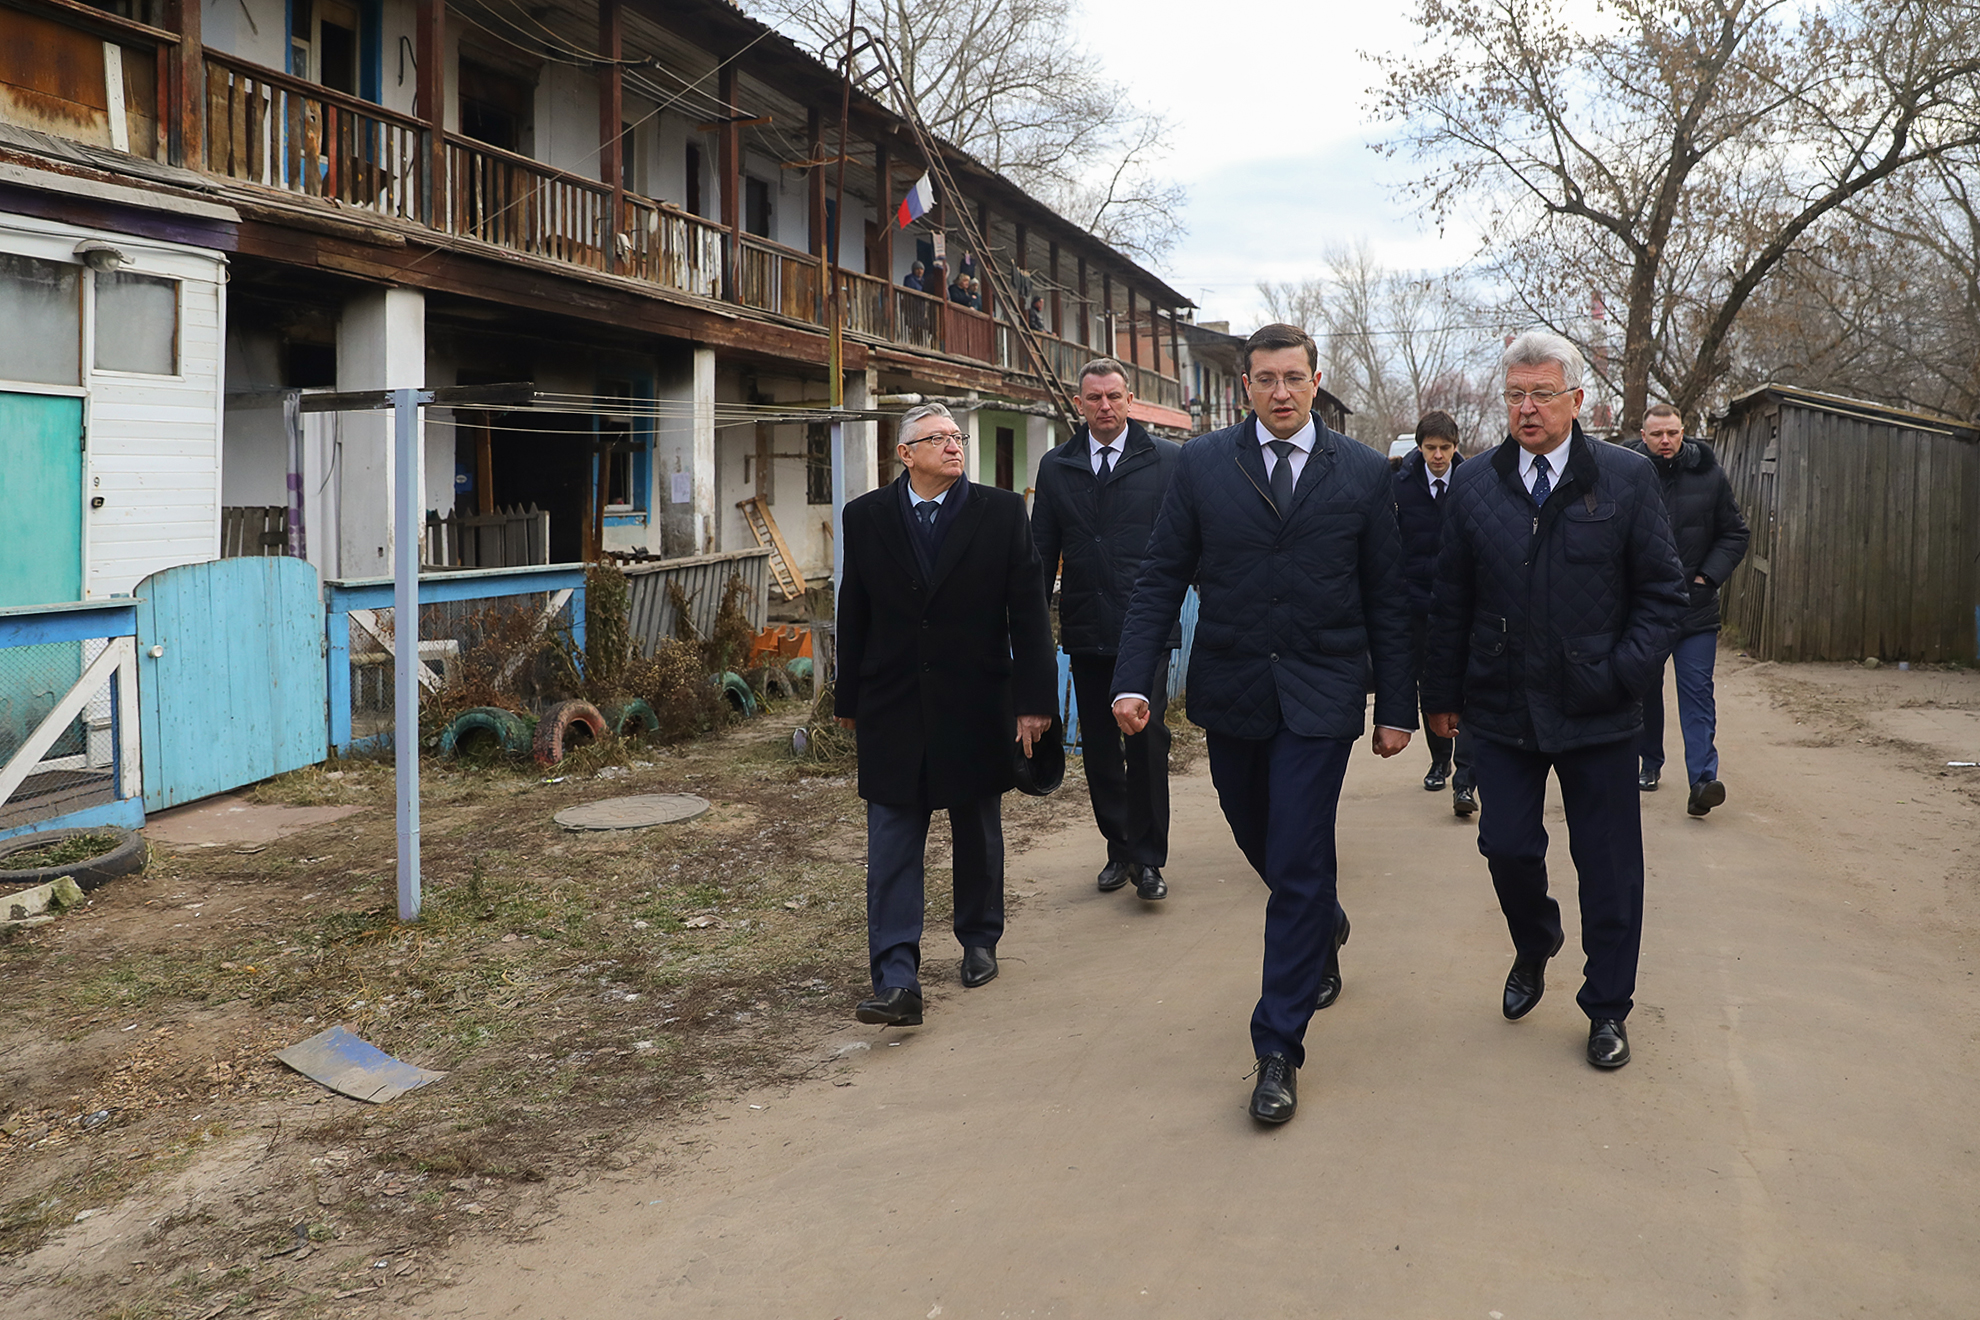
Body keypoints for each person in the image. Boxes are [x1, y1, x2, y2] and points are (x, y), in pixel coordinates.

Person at [1110, 323, 1415, 1125]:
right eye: (1265, 379)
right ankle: (1324, 922)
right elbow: (1159, 576)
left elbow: (1389, 593)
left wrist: (1400, 708)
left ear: (1317, 381)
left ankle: (1277, 1046)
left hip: (1323, 691)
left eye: (1294, 377)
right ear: (1244, 386)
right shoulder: (1205, 464)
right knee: (1259, 834)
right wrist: (1130, 680)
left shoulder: (1360, 471)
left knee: (1301, 851)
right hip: (1235, 687)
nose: (1281, 392)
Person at [1422, 330, 1685, 1071]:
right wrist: (1439, 698)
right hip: (1502, 706)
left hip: (1598, 707)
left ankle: (1606, 1008)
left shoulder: (1626, 480)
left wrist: (1622, 674)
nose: (1527, 408)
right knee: (1505, 845)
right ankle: (1536, 941)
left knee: (1608, 866)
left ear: (1576, 400)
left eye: (1541, 394)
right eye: (1514, 395)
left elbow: (1663, 595)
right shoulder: (1474, 484)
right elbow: (1449, 601)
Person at [834, 403, 1057, 1028]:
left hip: (975, 697)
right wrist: (846, 698)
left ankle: (979, 937)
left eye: (957, 438)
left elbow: (1028, 613)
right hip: (892, 701)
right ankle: (897, 976)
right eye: (938, 439)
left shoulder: (1001, 512)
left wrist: (1035, 702)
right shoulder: (868, 516)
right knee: (892, 841)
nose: (954, 447)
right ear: (905, 454)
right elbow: (855, 609)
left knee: (977, 829)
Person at [1031, 358, 1182, 902]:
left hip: (1147, 629)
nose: (1105, 406)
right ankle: (1118, 847)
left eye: (1114, 396)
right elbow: (1040, 555)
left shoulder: (1165, 461)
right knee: (1097, 745)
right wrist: (1032, 631)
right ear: (1079, 403)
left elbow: (1187, 544)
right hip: (1086, 625)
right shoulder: (1058, 466)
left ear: (1130, 398)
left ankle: (1148, 859)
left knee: (1145, 742)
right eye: (1094, 398)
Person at [1628, 404, 1749, 815]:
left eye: (1673, 433)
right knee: (1643, 690)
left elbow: (1735, 533)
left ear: (1684, 434)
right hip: (1642, 609)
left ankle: (1702, 780)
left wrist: (1707, 577)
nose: (1666, 441)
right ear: (1643, 436)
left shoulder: (1709, 476)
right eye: (1657, 434)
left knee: (1696, 692)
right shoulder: (1625, 475)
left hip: (1694, 609)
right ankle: (1649, 762)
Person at [1394, 410, 1476, 816]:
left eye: (1445, 448)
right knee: (1431, 685)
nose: (1438, 456)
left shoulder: (1474, 481)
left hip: (1464, 602)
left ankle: (1466, 779)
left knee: (1470, 684)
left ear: (1456, 447)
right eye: (1430, 448)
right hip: (1418, 603)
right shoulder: (1400, 484)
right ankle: (1439, 759)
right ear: (1420, 447)